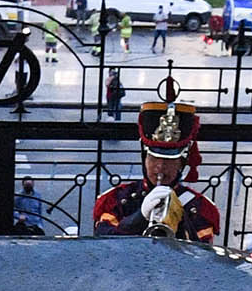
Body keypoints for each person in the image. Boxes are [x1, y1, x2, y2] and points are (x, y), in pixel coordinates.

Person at [90, 93, 220, 241]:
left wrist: (182, 221)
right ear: (144, 157)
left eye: (169, 160)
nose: (160, 167)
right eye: (153, 158)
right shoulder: (117, 199)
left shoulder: (199, 207)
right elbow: (102, 241)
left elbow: (203, 255)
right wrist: (140, 217)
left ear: (182, 163)